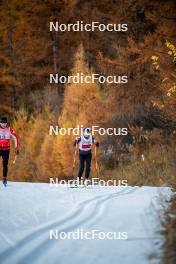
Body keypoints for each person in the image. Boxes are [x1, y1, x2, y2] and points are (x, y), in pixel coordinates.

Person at [0, 117, 19, 185]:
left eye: (4, 123)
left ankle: (4, 178)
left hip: (6, 150)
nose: (3, 124)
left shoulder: (9, 129)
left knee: (5, 164)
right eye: (2, 123)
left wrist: (16, 147)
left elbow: (15, 137)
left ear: (6, 123)